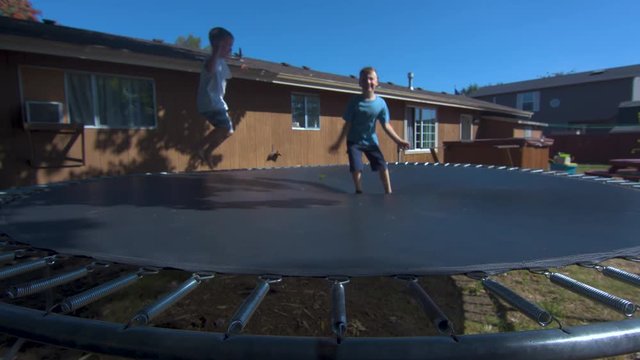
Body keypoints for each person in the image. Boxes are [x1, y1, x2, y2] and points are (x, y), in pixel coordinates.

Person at [330, 67, 410, 194]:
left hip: (371, 142)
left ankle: (388, 191)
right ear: (360, 83)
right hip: (354, 141)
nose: (368, 82)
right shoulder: (354, 102)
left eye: (371, 79)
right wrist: (338, 143)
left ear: (377, 82)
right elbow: (347, 124)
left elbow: (386, 125)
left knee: (382, 165)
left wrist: (398, 140)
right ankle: (358, 189)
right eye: (364, 79)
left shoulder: (381, 103)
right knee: (356, 167)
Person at [196, 27, 235, 167]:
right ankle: (200, 146)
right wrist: (216, 51)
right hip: (210, 102)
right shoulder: (211, 61)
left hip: (217, 102)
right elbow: (210, 69)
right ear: (216, 46)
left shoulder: (221, 62)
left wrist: (240, 63)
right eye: (227, 46)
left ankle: (208, 151)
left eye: (231, 46)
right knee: (224, 127)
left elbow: (228, 60)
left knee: (229, 131)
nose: (229, 50)